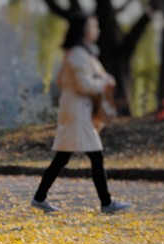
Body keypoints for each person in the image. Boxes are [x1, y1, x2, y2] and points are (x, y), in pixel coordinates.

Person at [31, 13, 130, 215]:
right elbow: (83, 84)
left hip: (77, 109)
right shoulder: (78, 54)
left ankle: (39, 198)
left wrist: (103, 79)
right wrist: (103, 83)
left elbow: (67, 80)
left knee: (63, 157)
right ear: (85, 30)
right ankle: (106, 203)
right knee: (95, 155)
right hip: (78, 111)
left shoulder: (80, 53)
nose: (98, 30)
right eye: (94, 26)